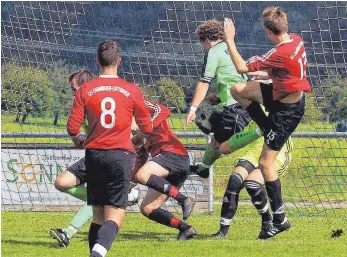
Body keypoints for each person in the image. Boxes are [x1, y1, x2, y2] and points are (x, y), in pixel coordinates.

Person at [223, 6, 311, 238]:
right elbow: (288, 70)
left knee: (265, 163)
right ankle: (263, 125)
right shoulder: (296, 40)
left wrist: (229, 41)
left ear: (269, 31)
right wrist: (267, 75)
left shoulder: (278, 52)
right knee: (238, 89)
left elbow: (242, 67)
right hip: (280, 94)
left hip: (287, 111)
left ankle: (280, 218)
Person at [67, 40, 153, 257]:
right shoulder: (131, 90)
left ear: (98, 61)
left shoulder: (86, 89)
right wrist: (139, 138)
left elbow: (72, 128)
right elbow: (147, 127)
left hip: (94, 155)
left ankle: (92, 253)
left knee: (97, 214)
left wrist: (78, 139)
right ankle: (97, 255)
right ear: (119, 61)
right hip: (120, 155)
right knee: (114, 218)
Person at [50, 70, 140, 248]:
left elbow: (135, 127)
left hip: (114, 155)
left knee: (102, 212)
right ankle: (118, 197)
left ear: (84, 87)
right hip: (95, 155)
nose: (72, 93)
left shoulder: (103, 100)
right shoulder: (83, 105)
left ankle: (71, 231)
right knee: (62, 182)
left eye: (73, 89)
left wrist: (120, 140)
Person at [184, 19, 252, 179]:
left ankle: (204, 167)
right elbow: (235, 79)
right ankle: (203, 168)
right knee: (215, 139)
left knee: (219, 142)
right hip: (245, 105)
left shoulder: (213, 52)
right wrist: (220, 97)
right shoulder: (231, 49)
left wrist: (192, 109)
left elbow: (204, 81)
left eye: (202, 43)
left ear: (206, 40)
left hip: (237, 109)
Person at [131, 100, 197, 240]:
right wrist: (128, 185)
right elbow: (141, 158)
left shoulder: (140, 105)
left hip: (174, 154)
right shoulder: (134, 134)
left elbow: (164, 110)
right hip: (168, 163)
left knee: (143, 175)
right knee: (147, 209)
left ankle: (184, 199)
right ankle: (186, 229)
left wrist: (146, 129)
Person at [213, 124, 293, 239]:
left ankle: (267, 220)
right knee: (234, 181)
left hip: (277, 152)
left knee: (252, 184)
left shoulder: (278, 108)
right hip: (255, 150)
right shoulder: (248, 107)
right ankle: (223, 231)